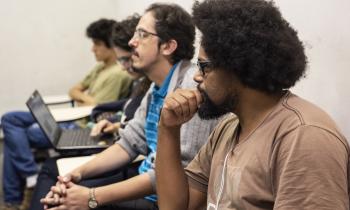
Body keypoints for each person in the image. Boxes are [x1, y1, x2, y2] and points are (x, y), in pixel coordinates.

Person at [156, 0, 350, 210]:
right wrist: (168, 129)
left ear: (237, 66)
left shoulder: (303, 136)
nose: (196, 77)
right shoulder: (228, 128)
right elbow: (174, 207)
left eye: (204, 67)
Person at [33, 4, 220, 210]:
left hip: (161, 199)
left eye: (142, 34)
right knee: (62, 191)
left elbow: (180, 173)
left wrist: (92, 196)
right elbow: (128, 144)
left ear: (167, 46)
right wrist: (77, 173)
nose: (132, 42)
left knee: (65, 199)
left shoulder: (190, 88)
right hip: (146, 186)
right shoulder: (155, 88)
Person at [0, 18, 132, 210]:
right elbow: (74, 90)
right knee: (10, 119)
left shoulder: (118, 74)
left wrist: (83, 98)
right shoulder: (101, 67)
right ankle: (29, 177)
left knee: (17, 138)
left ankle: (14, 199)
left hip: (78, 123)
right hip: (73, 114)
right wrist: (82, 97)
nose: (92, 49)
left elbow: (97, 106)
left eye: (96, 44)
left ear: (111, 46)